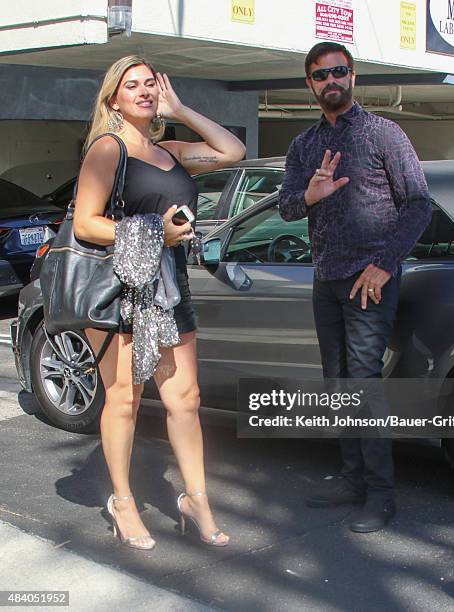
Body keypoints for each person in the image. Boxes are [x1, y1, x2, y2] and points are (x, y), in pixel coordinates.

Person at [73, 55, 245, 549]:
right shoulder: (107, 150)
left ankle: (195, 498)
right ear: (114, 99)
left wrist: (182, 108)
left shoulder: (169, 151)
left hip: (169, 286)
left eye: (151, 84)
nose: (145, 91)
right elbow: (86, 222)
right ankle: (123, 502)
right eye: (133, 86)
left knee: (185, 398)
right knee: (124, 400)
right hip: (121, 289)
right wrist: (154, 231)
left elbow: (231, 150)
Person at [278, 42, 431, 533]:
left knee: (363, 384)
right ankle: (351, 478)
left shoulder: (383, 133)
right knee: (338, 383)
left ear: (354, 76)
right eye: (321, 75)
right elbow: (285, 208)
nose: (332, 81)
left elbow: (418, 205)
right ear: (310, 84)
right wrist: (309, 193)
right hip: (326, 278)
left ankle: (381, 494)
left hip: (370, 281)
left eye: (339, 72)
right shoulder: (304, 145)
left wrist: (385, 265)